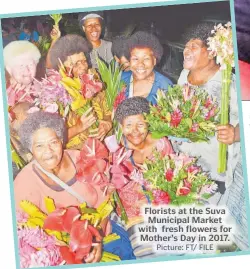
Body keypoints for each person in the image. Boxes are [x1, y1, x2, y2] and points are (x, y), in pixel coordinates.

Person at [14, 111, 136, 262]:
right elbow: (27, 235)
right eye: (39, 146)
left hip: (106, 237)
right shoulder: (23, 184)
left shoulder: (82, 158)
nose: (48, 152)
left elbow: (105, 203)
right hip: (62, 255)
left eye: (53, 142)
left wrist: (96, 239)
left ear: (61, 141)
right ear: (30, 149)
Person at [177, 22, 241, 199]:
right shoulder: (184, 76)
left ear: (212, 52)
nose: (186, 50)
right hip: (186, 166)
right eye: (186, 46)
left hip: (214, 174)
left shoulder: (229, 82)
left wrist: (235, 133)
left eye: (194, 46)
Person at [48, 34, 112, 149]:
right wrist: (78, 127)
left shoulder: (93, 77)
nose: (83, 67)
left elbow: (107, 110)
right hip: (75, 152)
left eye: (84, 61)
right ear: (61, 67)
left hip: (102, 145)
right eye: (75, 64)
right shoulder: (54, 94)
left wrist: (106, 123)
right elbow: (50, 139)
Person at [114, 96, 173, 165]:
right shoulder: (119, 151)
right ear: (121, 127)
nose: (135, 131)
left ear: (148, 124)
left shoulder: (161, 145)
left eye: (140, 124)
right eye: (128, 125)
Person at [121, 31, 173, 105]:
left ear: (154, 61)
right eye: (135, 59)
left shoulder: (165, 86)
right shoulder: (121, 79)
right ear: (129, 61)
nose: (140, 64)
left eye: (146, 59)